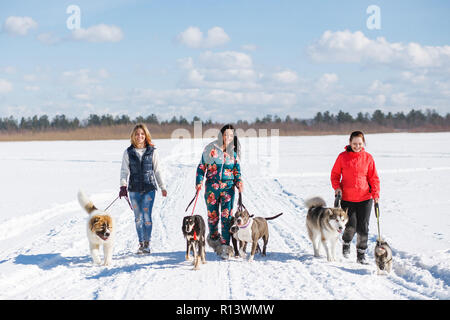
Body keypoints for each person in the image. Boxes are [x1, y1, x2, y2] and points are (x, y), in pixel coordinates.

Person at [330, 131, 380, 264]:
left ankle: (361, 255)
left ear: (363, 143)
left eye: (359, 143)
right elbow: (335, 175)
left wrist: (376, 194)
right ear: (349, 143)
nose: (357, 146)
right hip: (347, 198)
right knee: (351, 226)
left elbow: (373, 178)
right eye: (354, 143)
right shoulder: (342, 157)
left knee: (363, 228)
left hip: (365, 198)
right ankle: (346, 243)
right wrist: (337, 187)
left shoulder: (368, 158)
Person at [196, 124, 243, 258]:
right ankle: (214, 238)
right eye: (225, 134)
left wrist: (239, 181)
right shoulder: (210, 149)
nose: (227, 137)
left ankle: (225, 247)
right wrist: (198, 181)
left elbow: (237, 171)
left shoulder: (233, 152)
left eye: (230, 135)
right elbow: (201, 167)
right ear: (220, 135)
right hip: (212, 188)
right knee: (213, 217)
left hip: (228, 188)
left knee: (226, 217)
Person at [119, 123, 167, 254]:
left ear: (146, 136)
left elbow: (158, 171)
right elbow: (124, 171)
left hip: (149, 188)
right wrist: (123, 186)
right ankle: (141, 243)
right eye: (137, 134)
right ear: (133, 136)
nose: (139, 136)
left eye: (142, 134)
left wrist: (162, 186)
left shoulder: (153, 151)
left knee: (146, 216)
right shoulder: (128, 152)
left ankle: (147, 243)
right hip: (133, 189)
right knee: (138, 218)